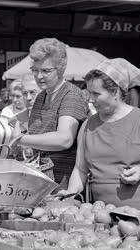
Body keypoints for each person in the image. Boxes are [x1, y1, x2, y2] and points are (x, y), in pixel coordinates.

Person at [59, 58, 140, 210]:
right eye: (89, 93)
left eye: (96, 94)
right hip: (101, 216)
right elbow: (80, 169)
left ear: (115, 92)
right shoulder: (88, 125)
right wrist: (70, 194)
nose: (90, 100)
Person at [12, 38, 88, 188]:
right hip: (40, 181)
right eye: (35, 70)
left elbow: (64, 139)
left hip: (63, 185)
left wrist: (20, 139)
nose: (39, 76)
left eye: (45, 71)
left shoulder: (71, 95)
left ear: (60, 69)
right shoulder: (42, 96)